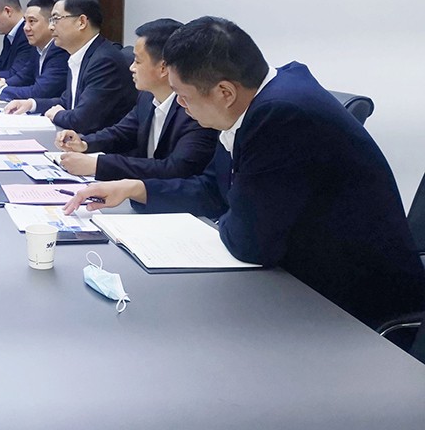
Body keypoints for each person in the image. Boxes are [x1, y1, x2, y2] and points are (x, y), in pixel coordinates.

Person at [62, 17, 425, 327]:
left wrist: (229, 214)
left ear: (224, 92)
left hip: (347, 305)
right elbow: (213, 189)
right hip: (297, 280)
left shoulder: (280, 116)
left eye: (183, 96)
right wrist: (134, 188)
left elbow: (250, 241)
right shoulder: (256, 102)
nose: (182, 107)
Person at [54, 18, 217, 180]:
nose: (131, 67)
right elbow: (122, 133)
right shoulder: (147, 96)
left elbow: (175, 169)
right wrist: (84, 143)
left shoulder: (193, 110)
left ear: (163, 68)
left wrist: (99, 165)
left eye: (138, 61)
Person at [3, 0, 134, 133]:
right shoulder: (79, 55)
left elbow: (82, 120)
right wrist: (31, 104)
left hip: (96, 144)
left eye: (56, 19)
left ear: (81, 22)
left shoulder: (104, 61)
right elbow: (67, 101)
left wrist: (57, 114)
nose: (51, 27)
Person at [0, 0, 69, 102]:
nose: (25, 28)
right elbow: (23, 77)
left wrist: (0, 90)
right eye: (25, 21)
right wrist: (2, 83)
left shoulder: (60, 51)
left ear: (51, 23)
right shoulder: (37, 48)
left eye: (32, 21)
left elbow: (39, 92)